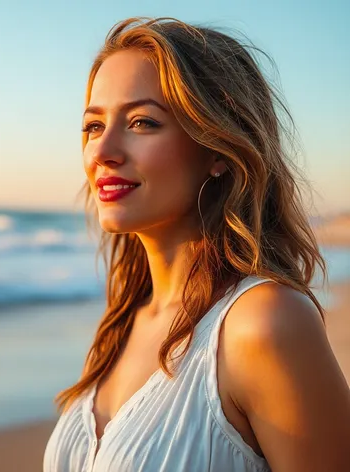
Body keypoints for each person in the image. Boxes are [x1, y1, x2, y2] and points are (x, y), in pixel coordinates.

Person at [43, 17, 350, 472]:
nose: (102, 151)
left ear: (217, 150)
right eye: (93, 126)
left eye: (142, 122)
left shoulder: (264, 323)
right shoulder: (122, 322)